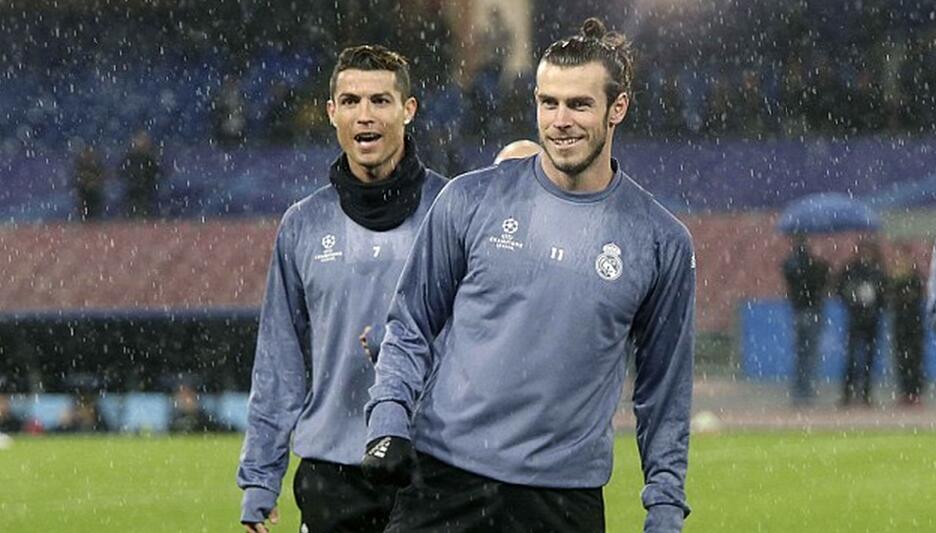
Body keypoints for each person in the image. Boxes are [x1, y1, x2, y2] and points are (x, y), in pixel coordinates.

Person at [363, 18, 694, 533]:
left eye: (579, 105)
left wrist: (666, 510)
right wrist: (387, 422)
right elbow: (409, 326)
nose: (560, 121)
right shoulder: (470, 200)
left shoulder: (659, 240)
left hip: (561, 501)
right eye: (548, 103)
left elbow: (663, 391)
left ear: (617, 109)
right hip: (444, 481)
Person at [236, 45, 447, 533]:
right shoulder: (303, 224)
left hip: (431, 464)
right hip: (333, 470)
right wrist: (260, 479)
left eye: (380, 101)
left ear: (408, 110)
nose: (364, 115)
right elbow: (278, 361)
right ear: (331, 113)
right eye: (350, 101)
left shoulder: (451, 211)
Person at [836, 238, 887, 407]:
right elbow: (840, 288)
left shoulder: (878, 271)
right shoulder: (852, 269)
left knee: (869, 358)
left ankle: (865, 393)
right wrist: (853, 296)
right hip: (856, 318)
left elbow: (885, 293)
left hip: (872, 319)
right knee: (852, 357)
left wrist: (875, 298)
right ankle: (847, 394)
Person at [781, 233, 830, 405]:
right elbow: (823, 280)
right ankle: (805, 389)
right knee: (809, 353)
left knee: (801, 353)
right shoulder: (812, 266)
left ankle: (800, 390)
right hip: (810, 310)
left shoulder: (793, 265)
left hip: (799, 311)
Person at [889, 243, 926, 406]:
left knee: (915, 359)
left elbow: (916, 297)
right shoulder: (894, 278)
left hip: (914, 324)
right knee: (902, 359)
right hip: (900, 324)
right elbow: (890, 298)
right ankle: (905, 392)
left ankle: (915, 392)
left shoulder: (915, 277)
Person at [120, 129, 163, 218]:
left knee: (146, 210)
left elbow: (156, 171)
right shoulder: (131, 157)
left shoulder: (149, 158)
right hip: (133, 189)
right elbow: (122, 170)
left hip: (147, 189)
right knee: (132, 210)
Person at [73, 143, 106, 221]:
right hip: (84, 192)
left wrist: (94, 183)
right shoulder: (80, 164)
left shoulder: (96, 164)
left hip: (95, 192)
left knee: (96, 212)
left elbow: (102, 175)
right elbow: (77, 177)